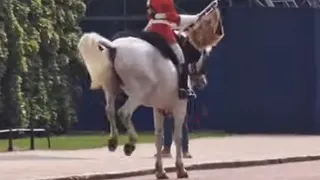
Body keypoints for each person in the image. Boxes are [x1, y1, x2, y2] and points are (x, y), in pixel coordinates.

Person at [145, 0, 200, 99]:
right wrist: (194, 18)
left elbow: (152, 17)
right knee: (181, 58)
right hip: (164, 33)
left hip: (151, 31)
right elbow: (174, 18)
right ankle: (183, 88)